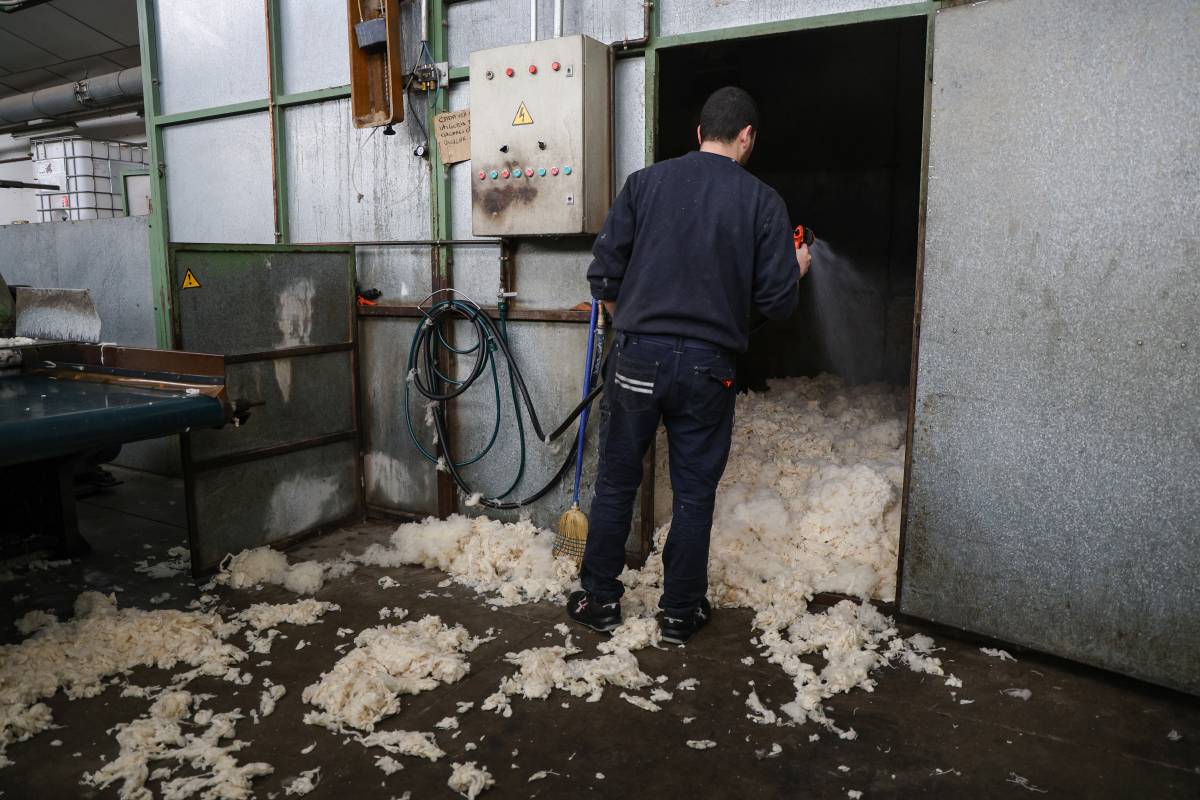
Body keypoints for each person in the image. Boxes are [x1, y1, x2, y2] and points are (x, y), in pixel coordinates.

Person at [566, 86, 811, 644]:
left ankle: (599, 600)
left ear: (699, 133)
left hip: (637, 357)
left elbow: (603, 278)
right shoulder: (763, 201)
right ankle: (679, 612)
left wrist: (628, 330)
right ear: (746, 137)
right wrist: (795, 267)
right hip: (709, 367)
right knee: (695, 493)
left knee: (617, 483)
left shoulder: (645, 184)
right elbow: (777, 303)